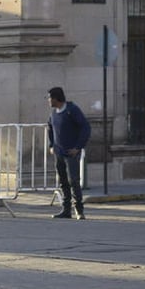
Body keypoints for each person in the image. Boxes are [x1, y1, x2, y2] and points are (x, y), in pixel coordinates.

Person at [47, 86, 91, 220]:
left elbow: (85, 127)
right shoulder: (54, 113)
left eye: (49, 98)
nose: (48, 101)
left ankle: (79, 209)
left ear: (55, 98)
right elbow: (50, 128)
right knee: (63, 181)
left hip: (71, 152)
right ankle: (66, 209)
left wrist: (78, 147)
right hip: (59, 152)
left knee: (74, 181)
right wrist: (51, 145)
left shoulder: (72, 110)